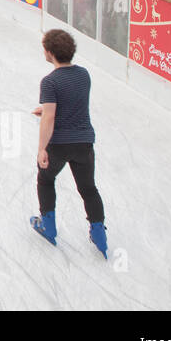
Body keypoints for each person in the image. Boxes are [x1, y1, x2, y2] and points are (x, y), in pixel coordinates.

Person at [30, 29, 108, 258]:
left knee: (45, 179)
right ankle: (99, 234)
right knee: (88, 189)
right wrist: (45, 108)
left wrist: (42, 148)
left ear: (50, 52)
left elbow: (50, 118)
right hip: (84, 142)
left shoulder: (50, 82)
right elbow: (73, 101)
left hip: (60, 144)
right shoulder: (83, 75)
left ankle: (49, 226)